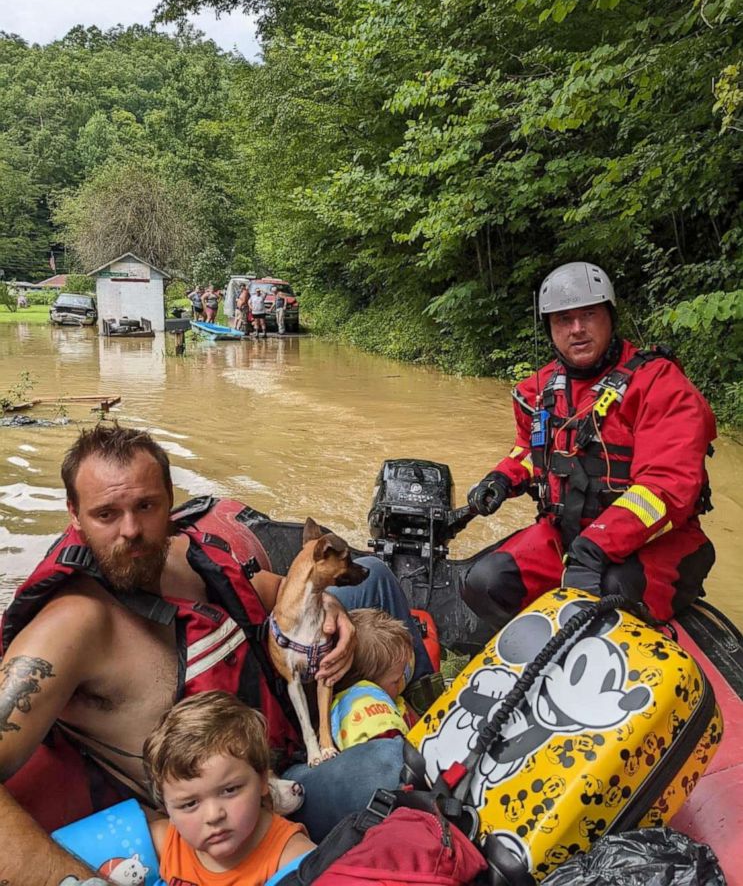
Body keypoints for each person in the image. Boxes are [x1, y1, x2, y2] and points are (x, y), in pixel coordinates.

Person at [0, 424, 433, 885]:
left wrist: (326, 605)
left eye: (146, 506)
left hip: (279, 720)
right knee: (394, 766)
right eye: (106, 514)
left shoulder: (182, 554)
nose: (131, 530)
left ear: (170, 498)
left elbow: (271, 593)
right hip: (243, 801)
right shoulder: (72, 628)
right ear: (75, 514)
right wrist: (75, 881)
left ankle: (425, 702)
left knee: (374, 575)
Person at [461, 262, 717, 632]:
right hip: (570, 536)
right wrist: (502, 478)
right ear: (550, 328)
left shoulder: (660, 384)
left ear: (610, 318)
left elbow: (666, 488)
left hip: (654, 542)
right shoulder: (540, 391)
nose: (577, 329)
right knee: (486, 583)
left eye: (589, 315)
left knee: (612, 591)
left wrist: (594, 548)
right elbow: (530, 452)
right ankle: (541, 652)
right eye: (564, 319)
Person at [144, 691, 314, 886]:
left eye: (229, 790)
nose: (213, 815)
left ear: (262, 780)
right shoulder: (165, 842)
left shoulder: (294, 860)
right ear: (167, 809)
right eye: (190, 803)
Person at [330, 610, 417, 751]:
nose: (403, 682)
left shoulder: (395, 698)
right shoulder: (368, 720)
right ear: (367, 687)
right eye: (395, 681)